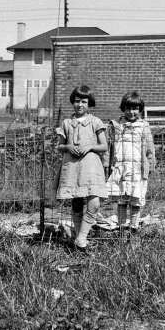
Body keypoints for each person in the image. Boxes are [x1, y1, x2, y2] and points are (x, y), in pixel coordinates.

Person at [55, 85, 108, 253]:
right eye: (77, 101)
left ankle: (81, 237)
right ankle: (80, 242)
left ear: (89, 103)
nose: (80, 105)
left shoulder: (95, 122)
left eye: (83, 101)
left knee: (94, 203)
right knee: (76, 202)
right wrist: (68, 146)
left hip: (91, 167)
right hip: (72, 167)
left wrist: (90, 146)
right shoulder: (66, 123)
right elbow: (59, 146)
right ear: (73, 102)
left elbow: (104, 145)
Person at [106, 91, 156, 232]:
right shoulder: (116, 126)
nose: (131, 112)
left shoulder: (144, 126)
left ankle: (134, 228)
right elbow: (109, 148)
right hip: (120, 168)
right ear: (123, 109)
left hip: (137, 169)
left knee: (135, 200)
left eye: (135, 109)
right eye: (128, 108)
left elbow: (150, 149)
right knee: (122, 200)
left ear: (140, 110)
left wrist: (150, 165)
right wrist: (108, 165)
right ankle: (121, 228)